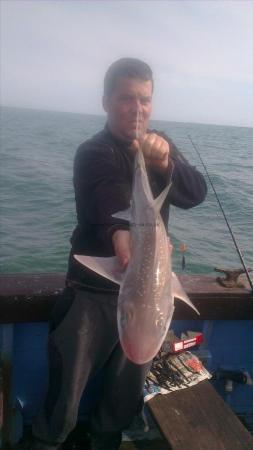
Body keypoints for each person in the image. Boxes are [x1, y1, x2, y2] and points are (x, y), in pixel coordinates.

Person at [29, 58, 207, 450]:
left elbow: (195, 194)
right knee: (66, 394)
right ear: (107, 101)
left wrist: (164, 161)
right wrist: (121, 237)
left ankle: (106, 439)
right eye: (126, 97)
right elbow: (104, 200)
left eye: (144, 99)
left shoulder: (162, 145)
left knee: (124, 395)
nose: (136, 108)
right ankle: (49, 441)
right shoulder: (93, 151)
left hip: (149, 294)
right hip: (93, 293)